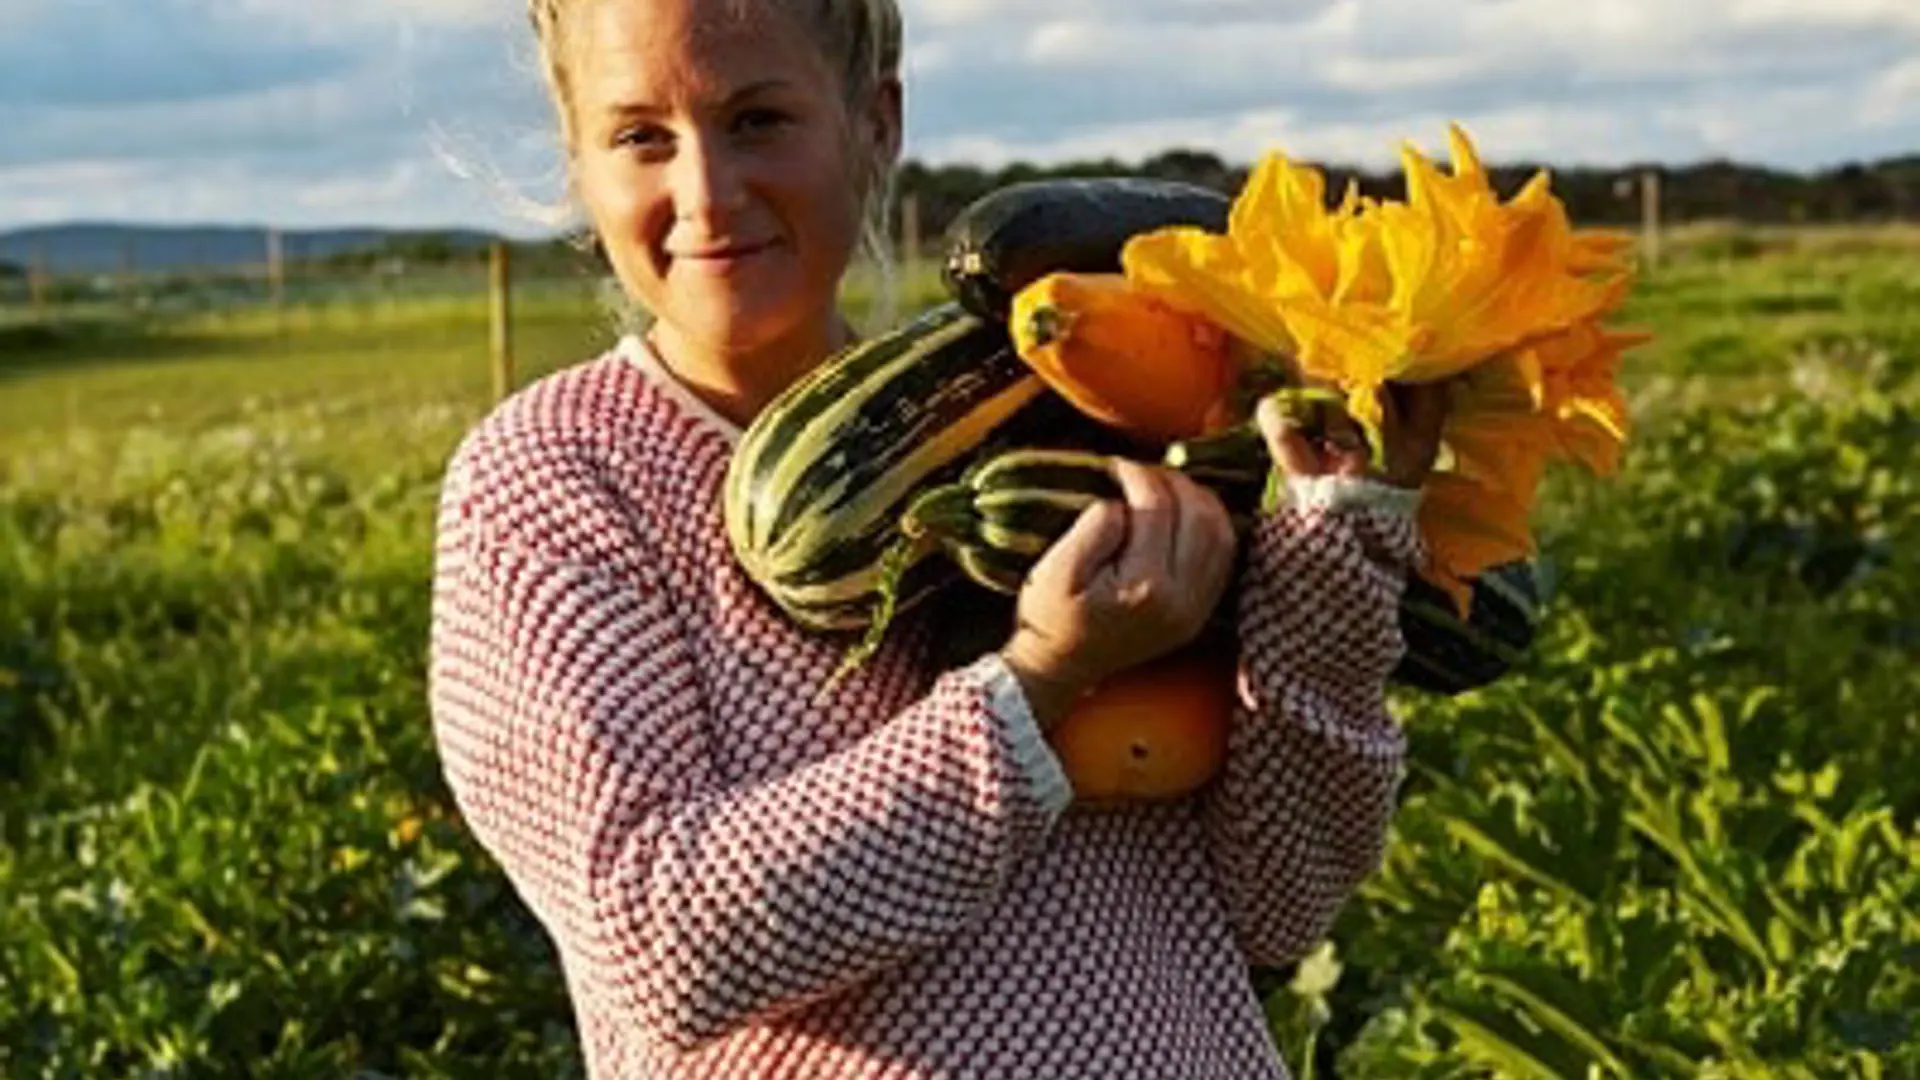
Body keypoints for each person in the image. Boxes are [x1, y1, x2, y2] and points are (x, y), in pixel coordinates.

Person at [426, 0, 1447, 1076]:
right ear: (580, 164)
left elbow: (1280, 900)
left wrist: (1345, 536)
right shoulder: (555, 481)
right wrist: (1040, 684)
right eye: (641, 136)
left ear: (876, 124)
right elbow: (660, 940)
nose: (708, 193)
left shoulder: (1093, 413)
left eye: (760, 120)